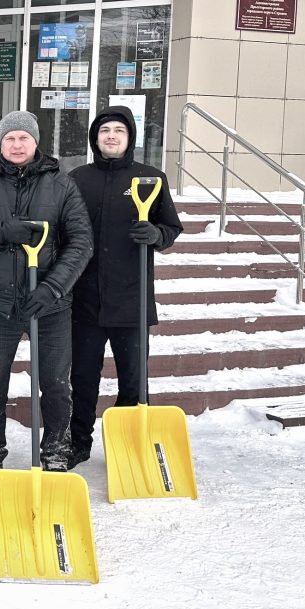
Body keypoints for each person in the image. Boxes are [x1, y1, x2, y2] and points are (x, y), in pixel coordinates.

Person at [0, 111, 93, 493]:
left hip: (50, 306)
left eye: (23, 138)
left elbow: (81, 242)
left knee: (55, 385)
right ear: (0, 144)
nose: (17, 145)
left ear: (36, 142)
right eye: (9, 138)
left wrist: (53, 288)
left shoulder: (61, 185)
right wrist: (1, 232)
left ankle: (55, 455)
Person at [67, 106, 182, 469]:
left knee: (133, 379)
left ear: (130, 137)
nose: (111, 136)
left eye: (119, 130)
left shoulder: (151, 179)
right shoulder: (77, 179)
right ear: (95, 138)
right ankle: (78, 441)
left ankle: (128, 443)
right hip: (85, 299)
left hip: (132, 298)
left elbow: (171, 228)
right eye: (105, 131)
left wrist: (157, 234)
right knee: (82, 378)